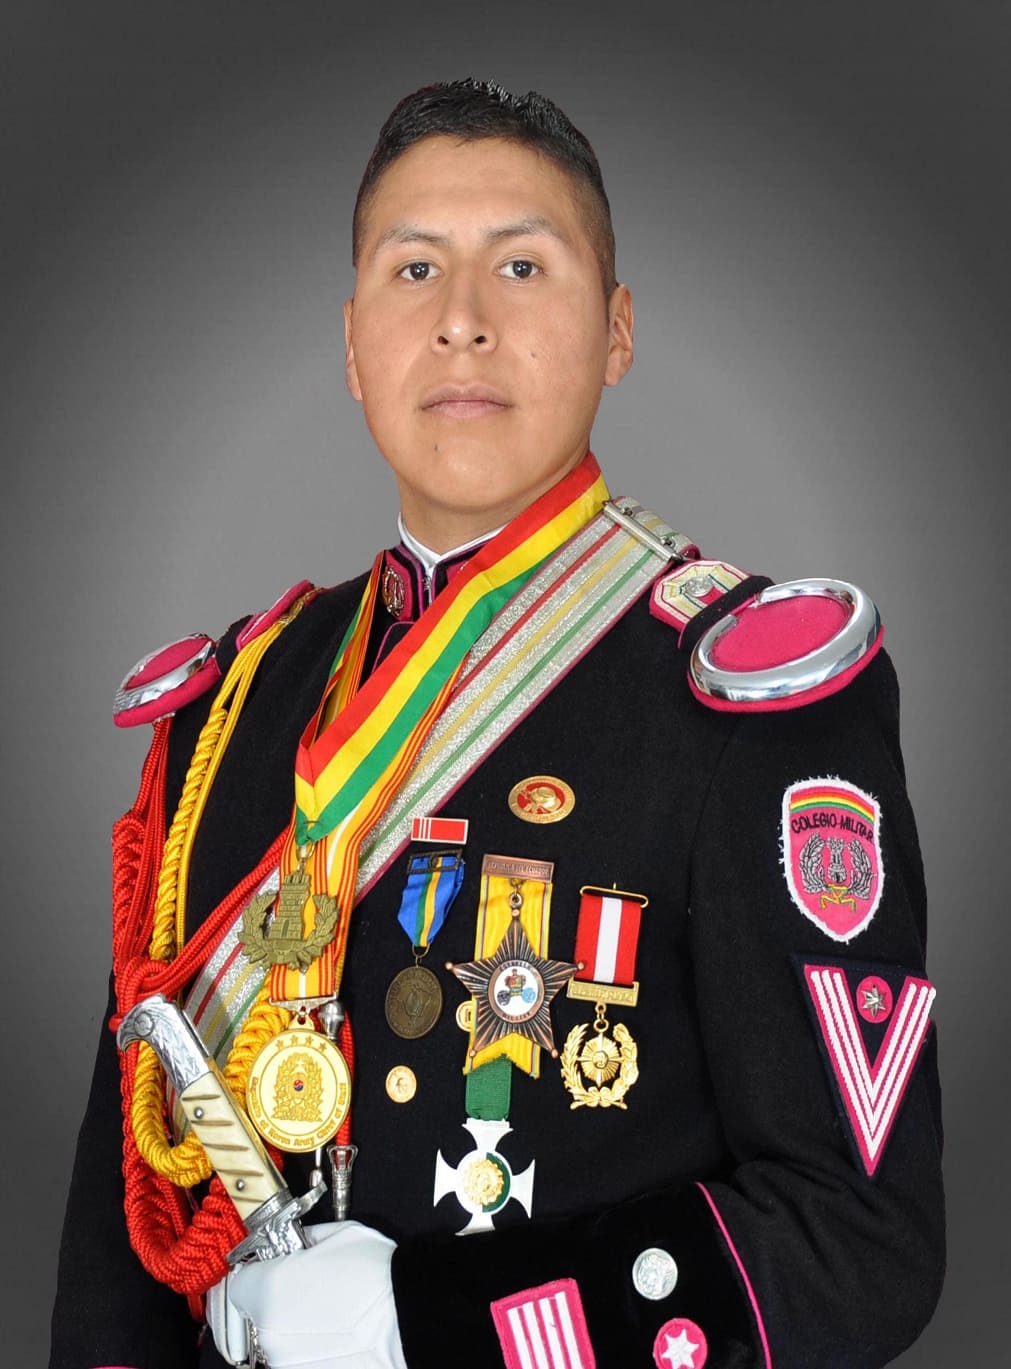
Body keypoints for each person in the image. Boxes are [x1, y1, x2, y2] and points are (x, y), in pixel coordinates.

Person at [50, 79, 944, 1369]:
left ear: (617, 330)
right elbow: (124, 1218)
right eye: (414, 269)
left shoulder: (749, 704)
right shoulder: (231, 705)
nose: (462, 319)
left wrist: (427, 1323)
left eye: (522, 266)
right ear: (353, 345)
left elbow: (857, 1239)